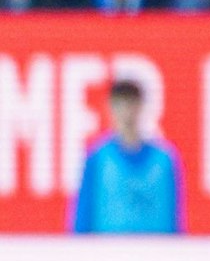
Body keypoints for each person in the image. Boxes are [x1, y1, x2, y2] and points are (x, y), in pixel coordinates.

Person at [71, 79, 184, 234]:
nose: (126, 112)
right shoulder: (98, 158)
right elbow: (82, 216)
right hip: (109, 248)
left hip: (155, 247)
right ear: (110, 108)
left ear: (141, 106)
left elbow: (175, 218)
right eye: (119, 104)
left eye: (131, 103)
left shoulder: (164, 161)